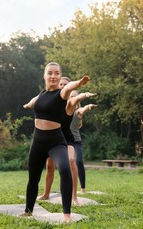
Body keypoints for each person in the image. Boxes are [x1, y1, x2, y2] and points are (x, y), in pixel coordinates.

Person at [21, 62, 90, 222]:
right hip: (38, 142)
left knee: (65, 168)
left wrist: (78, 83)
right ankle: (28, 211)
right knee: (33, 177)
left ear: (60, 76)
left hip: (55, 140)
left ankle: (66, 214)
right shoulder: (41, 95)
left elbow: (69, 88)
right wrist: (27, 105)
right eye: (50, 73)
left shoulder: (61, 94)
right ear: (44, 76)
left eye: (56, 73)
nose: (53, 76)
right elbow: (34, 101)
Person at [35, 79, 96, 205]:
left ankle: (74, 197)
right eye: (61, 85)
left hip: (67, 139)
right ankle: (46, 194)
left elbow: (77, 100)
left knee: (72, 161)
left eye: (65, 85)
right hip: (53, 137)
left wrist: (84, 95)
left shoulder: (70, 103)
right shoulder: (53, 101)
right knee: (50, 166)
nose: (62, 86)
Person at [69, 90, 96, 195]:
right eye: (71, 96)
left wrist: (88, 106)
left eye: (75, 96)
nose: (73, 97)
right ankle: (69, 187)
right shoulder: (64, 109)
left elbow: (83, 110)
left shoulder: (78, 111)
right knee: (68, 163)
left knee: (79, 161)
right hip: (65, 142)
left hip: (76, 142)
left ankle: (83, 188)